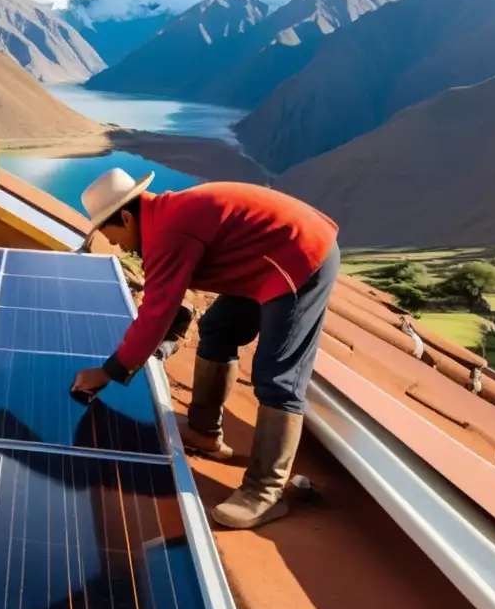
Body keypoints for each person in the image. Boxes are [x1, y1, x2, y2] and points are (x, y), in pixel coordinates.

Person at [70, 168, 340, 530]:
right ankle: (203, 431)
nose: (116, 245)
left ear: (125, 216)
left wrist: (107, 372)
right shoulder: (163, 217)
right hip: (264, 256)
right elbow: (165, 307)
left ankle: (265, 491)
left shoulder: (167, 231)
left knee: (278, 376)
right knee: (217, 328)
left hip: (300, 254)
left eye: (111, 234)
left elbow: (155, 316)